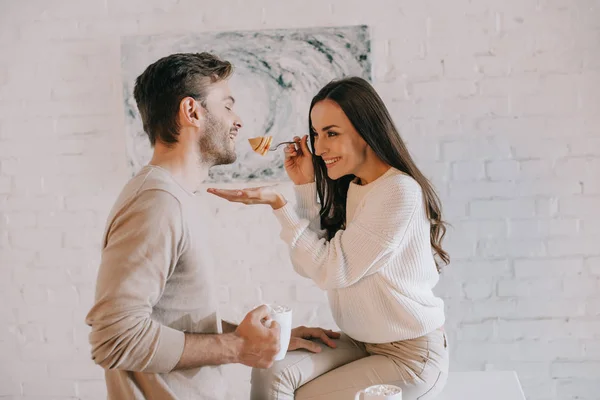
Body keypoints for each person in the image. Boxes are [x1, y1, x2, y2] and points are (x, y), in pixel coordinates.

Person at [85, 52, 339, 400]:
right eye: (228, 106)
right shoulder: (157, 204)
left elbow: (172, 322)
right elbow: (114, 339)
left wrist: (258, 339)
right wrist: (237, 348)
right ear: (192, 112)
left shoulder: (172, 196)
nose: (238, 121)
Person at [208, 76, 450, 400]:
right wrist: (305, 188)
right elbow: (306, 265)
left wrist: (280, 205)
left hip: (409, 356)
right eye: (316, 134)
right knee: (270, 369)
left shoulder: (398, 192)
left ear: (366, 131)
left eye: (331, 134)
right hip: (360, 341)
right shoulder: (356, 186)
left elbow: (332, 270)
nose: (319, 148)